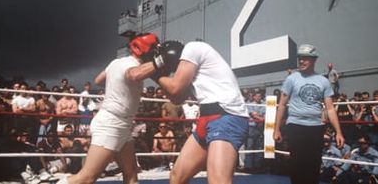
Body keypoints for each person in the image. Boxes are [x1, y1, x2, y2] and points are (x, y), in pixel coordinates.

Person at [57, 32, 160, 184]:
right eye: (154, 49)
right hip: (111, 123)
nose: (155, 53)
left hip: (122, 124)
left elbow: (98, 80)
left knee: (131, 174)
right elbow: (134, 75)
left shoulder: (116, 62)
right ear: (145, 50)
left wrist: (116, 84)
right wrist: (161, 62)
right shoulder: (131, 65)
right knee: (86, 178)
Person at [152, 40, 249, 184]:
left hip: (226, 116)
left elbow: (174, 88)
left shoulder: (193, 47)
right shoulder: (190, 74)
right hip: (206, 119)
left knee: (218, 181)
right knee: (177, 177)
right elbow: (177, 99)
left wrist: (155, 74)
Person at [273, 44, 345, 184]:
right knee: (297, 165)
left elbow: (330, 108)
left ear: (314, 60)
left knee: (314, 165)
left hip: (316, 127)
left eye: (305, 58)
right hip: (295, 126)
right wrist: (276, 129)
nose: (301, 61)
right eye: (300, 58)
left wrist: (339, 132)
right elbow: (281, 104)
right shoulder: (291, 79)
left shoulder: (323, 81)